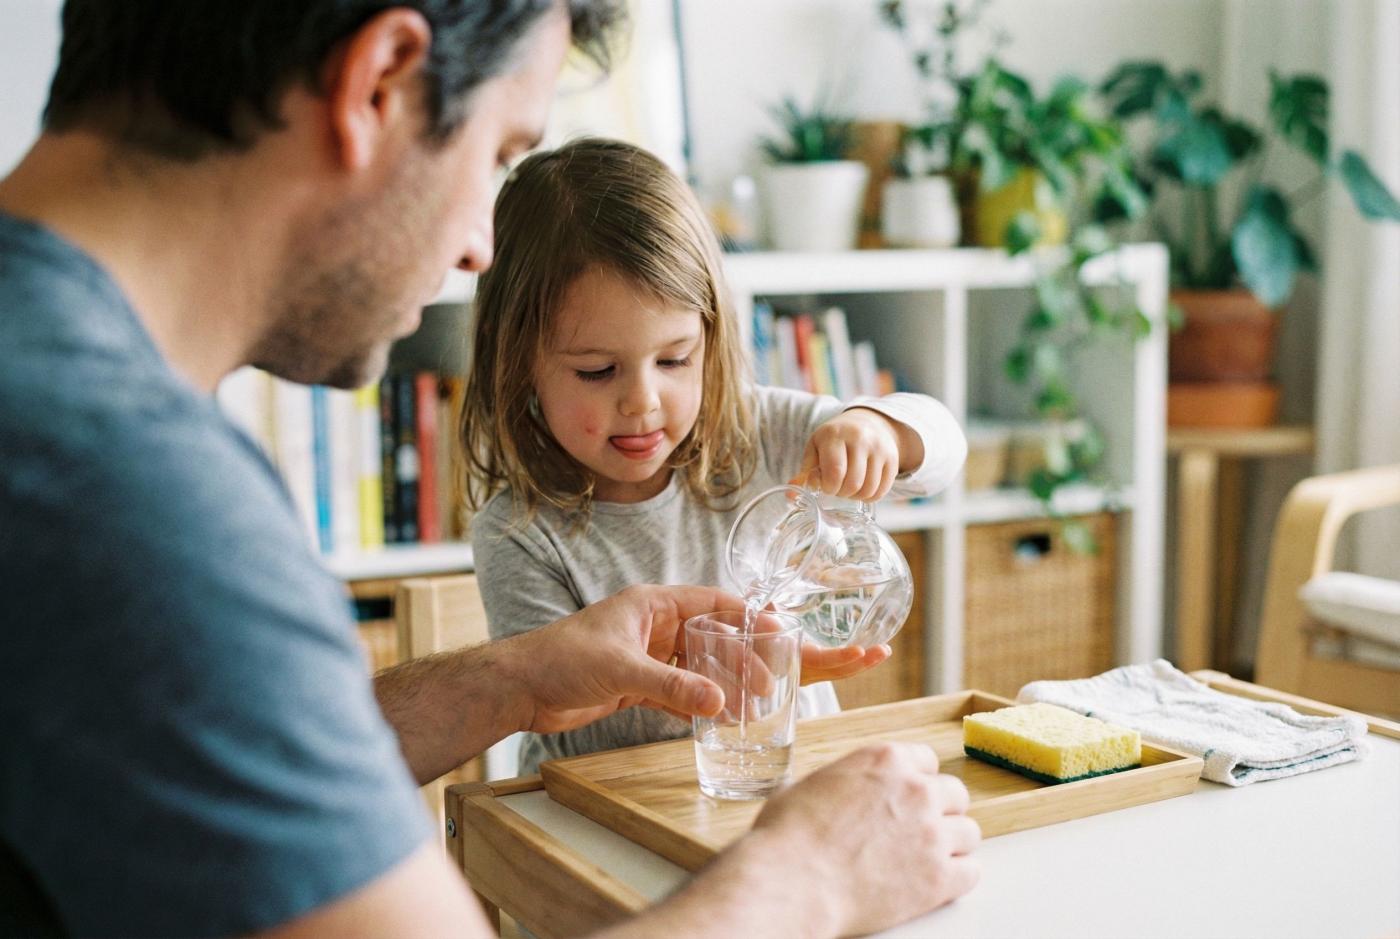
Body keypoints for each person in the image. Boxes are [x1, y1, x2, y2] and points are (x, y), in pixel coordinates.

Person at [0, 2, 981, 936]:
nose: (478, 250)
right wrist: (807, 879)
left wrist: (518, 676)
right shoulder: (128, 501)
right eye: (498, 155)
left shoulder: (61, 423)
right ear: (377, 84)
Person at [462, 137, 969, 774]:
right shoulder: (519, 531)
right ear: (517, 361)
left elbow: (945, 450)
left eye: (674, 360)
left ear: (709, 336)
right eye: (596, 370)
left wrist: (882, 430)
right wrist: (692, 673)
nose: (642, 402)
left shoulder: (763, 431)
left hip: (787, 784)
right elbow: (558, 718)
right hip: (607, 801)